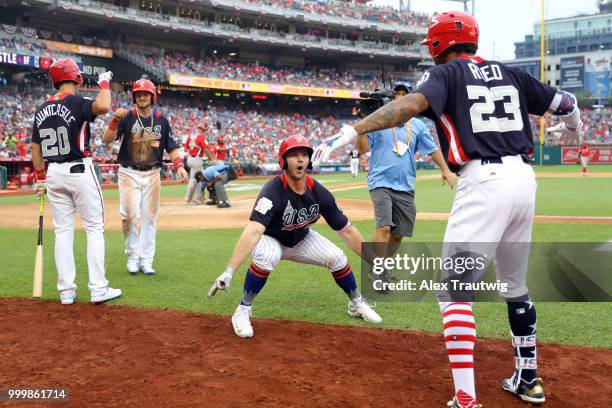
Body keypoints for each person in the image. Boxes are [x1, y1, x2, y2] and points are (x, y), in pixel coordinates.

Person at [313, 10, 582, 407]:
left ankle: (466, 398)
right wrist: (573, 128)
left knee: (454, 293)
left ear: (440, 44)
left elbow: (410, 105)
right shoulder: (513, 73)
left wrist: (353, 130)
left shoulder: (445, 74)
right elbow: (567, 103)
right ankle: (528, 379)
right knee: (515, 286)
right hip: (525, 181)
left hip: (483, 181)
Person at [207, 135, 381, 338]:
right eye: (294, 155)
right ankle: (242, 310)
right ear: (283, 160)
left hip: (300, 237)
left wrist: (375, 261)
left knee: (337, 257)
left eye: (304, 155)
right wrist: (229, 271)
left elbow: (347, 230)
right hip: (271, 238)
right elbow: (254, 230)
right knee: (267, 256)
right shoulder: (272, 191)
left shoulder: (318, 192)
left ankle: (356, 303)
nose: (300, 159)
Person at [30, 59, 121, 305]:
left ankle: (67, 291)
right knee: (93, 229)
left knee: (63, 233)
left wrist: (40, 179)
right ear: (75, 77)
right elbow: (103, 106)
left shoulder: (41, 109)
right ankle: (98, 288)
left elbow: (35, 149)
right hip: (79, 169)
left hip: (53, 174)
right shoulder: (76, 101)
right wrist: (104, 83)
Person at [356, 81, 453, 284]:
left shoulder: (417, 125)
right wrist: (362, 126)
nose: (400, 97)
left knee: (398, 235)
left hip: (405, 186)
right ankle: (379, 272)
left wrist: (445, 169)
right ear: (391, 98)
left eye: (404, 93)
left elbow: (432, 148)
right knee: (384, 228)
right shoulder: (379, 121)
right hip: (380, 182)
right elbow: (363, 149)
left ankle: (380, 265)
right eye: (396, 93)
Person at [102, 79, 188, 275]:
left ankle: (146, 260)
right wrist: (114, 121)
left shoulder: (161, 121)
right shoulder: (126, 117)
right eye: (138, 94)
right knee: (129, 216)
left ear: (152, 96)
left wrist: (180, 166)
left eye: (145, 93)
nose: (142, 97)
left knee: (149, 218)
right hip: (128, 173)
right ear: (134, 97)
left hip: (152, 174)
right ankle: (132, 256)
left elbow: (172, 147)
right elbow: (106, 139)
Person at [184, 123, 214, 204]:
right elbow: (206, 149)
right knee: (194, 180)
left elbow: (185, 148)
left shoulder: (190, 136)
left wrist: (191, 153)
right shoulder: (201, 137)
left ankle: (196, 198)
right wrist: (211, 159)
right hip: (196, 159)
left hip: (190, 158)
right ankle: (190, 199)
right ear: (203, 130)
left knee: (199, 178)